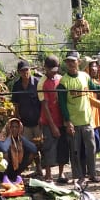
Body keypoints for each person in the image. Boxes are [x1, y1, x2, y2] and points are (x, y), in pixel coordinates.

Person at [57, 51, 100, 183]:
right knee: (75, 151)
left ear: (79, 62)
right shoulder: (63, 82)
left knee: (91, 148)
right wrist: (68, 122)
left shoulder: (84, 76)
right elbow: (63, 104)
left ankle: (92, 174)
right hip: (74, 123)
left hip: (87, 121)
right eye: (68, 61)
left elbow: (95, 88)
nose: (70, 64)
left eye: (73, 61)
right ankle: (79, 176)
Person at [39, 55, 70, 184]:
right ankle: (48, 174)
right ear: (45, 68)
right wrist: (53, 126)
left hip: (61, 119)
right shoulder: (42, 83)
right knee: (49, 147)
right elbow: (44, 106)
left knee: (63, 147)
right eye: (51, 69)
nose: (53, 72)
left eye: (55, 69)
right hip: (48, 121)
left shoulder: (61, 79)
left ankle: (61, 173)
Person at [9, 60, 43, 174]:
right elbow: (16, 104)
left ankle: (41, 168)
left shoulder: (37, 83)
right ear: (19, 72)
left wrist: (42, 118)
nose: (25, 72)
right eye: (22, 71)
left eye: (27, 70)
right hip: (25, 122)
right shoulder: (17, 85)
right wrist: (17, 118)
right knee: (29, 147)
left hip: (38, 121)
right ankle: (33, 167)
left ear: (30, 70)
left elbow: (43, 103)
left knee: (40, 145)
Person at [0, 117, 38, 181]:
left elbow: (34, 149)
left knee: (31, 153)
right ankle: (6, 175)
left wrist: (20, 137)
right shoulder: (2, 138)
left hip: (16, 169)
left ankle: (16, 174)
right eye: (12, 127)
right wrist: (10, 136)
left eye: (16, 127)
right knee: (5, 153)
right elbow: (4, 148)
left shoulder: (20, 139)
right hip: (2, 171)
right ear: (8, 127)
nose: (14, 129)